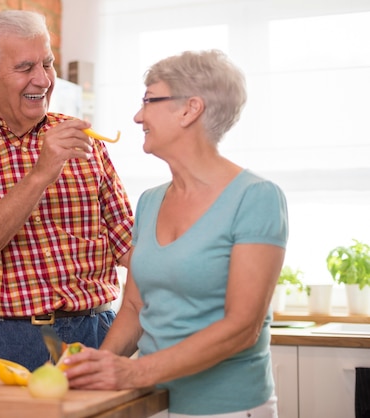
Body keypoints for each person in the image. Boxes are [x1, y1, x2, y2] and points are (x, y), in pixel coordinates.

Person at [64, 50, 288, 418]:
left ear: (190, 109)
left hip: (229, 409)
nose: (138, 116)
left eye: (150, 100)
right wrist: (98, 368)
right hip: (154, 403)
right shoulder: (151, 202)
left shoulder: (256, 197)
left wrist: (135, 371)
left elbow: (242, 327)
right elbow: (135, 306)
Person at [0, 10, 133, 372]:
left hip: (95, 331)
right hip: (3, 339)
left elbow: (128, 243)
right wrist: (40, 174)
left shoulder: (83, 139)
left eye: (47, 63)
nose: (43, 79)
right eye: (25, 68)